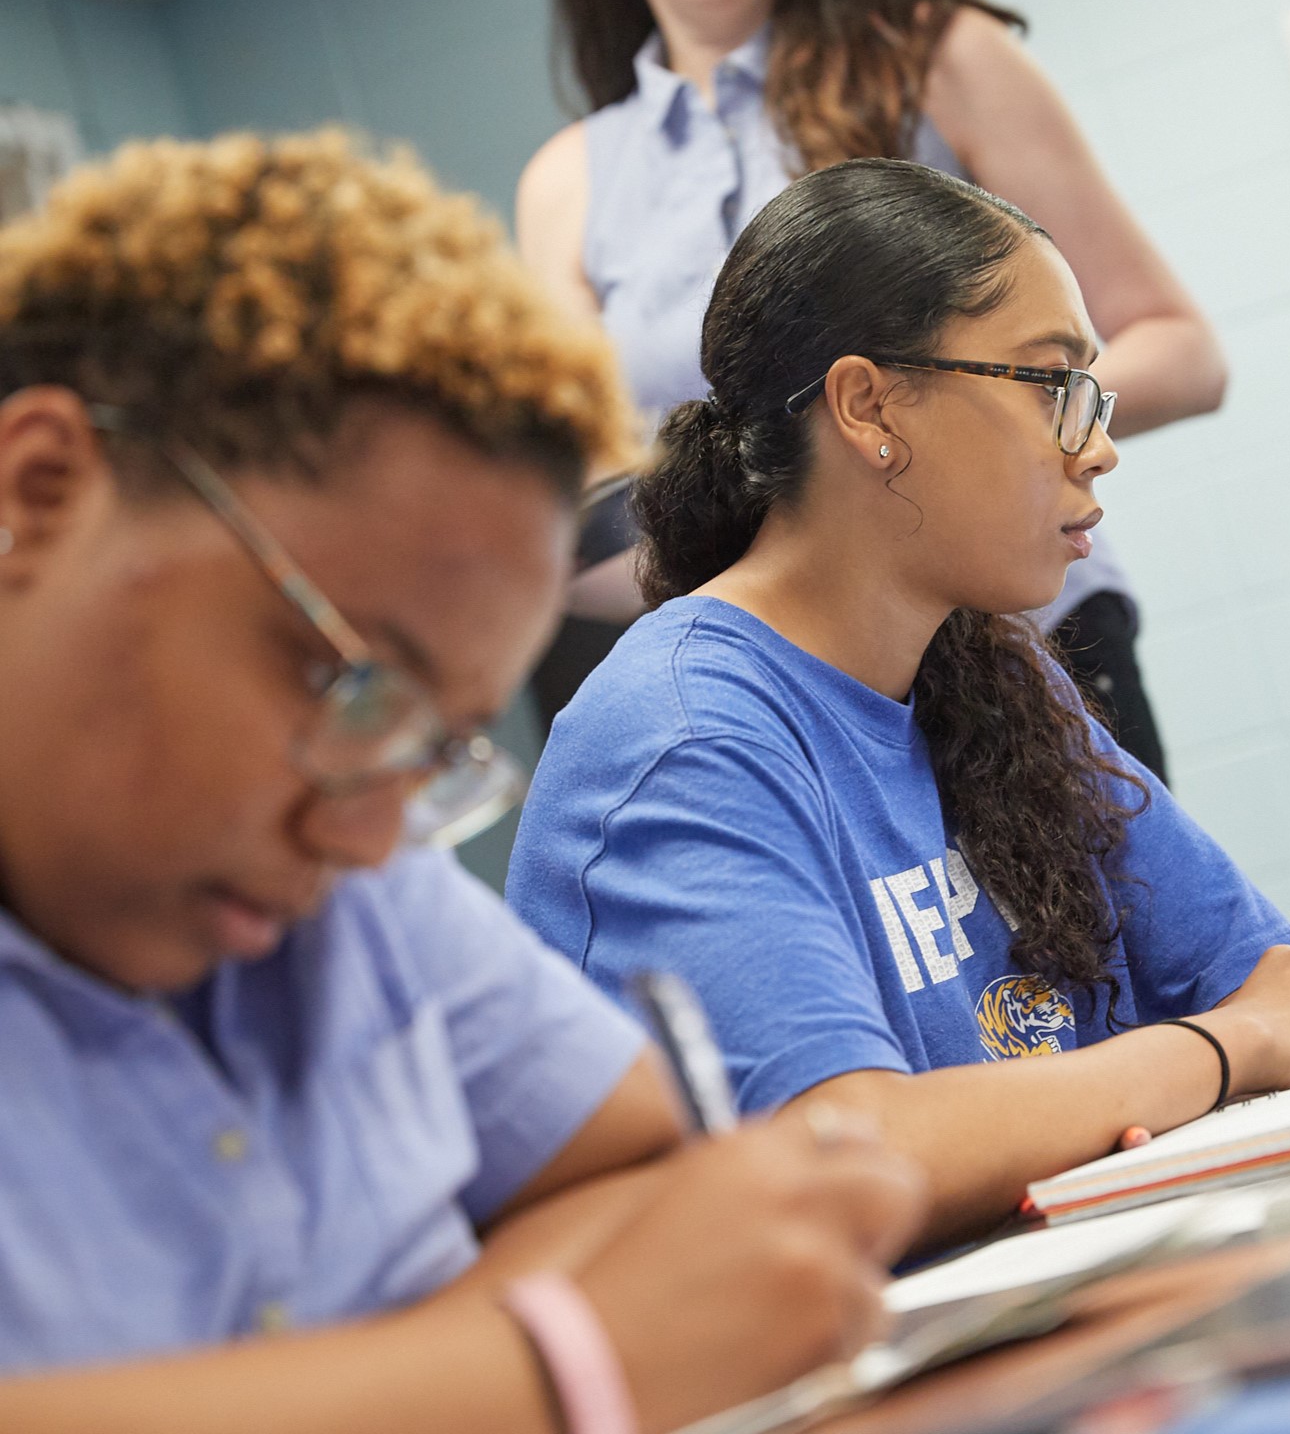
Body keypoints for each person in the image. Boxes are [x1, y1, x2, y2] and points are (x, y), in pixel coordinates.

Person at [0, 131, 928, 1432]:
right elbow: (624, 1295)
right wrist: (547, 1371)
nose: (376, 832)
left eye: (432, 744)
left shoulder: (339, 881)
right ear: (39, 493)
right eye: (349, 682)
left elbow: (630, 1172)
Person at [508, 160, 1290, 1251]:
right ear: (871, 406)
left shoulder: (991, 671)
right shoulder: (679, 734)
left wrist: (1269, 1028)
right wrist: (1223, 1050)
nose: (1098, 442)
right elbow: (846, 1151)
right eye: (1050, 384)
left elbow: (1272, 981)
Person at [517, 0, 1227, 777]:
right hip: (794, 710)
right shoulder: (568, 185)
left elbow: (1182, 352)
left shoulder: (939, 60)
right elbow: (603, 500)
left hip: (1028, 647)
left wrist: (977, 423)